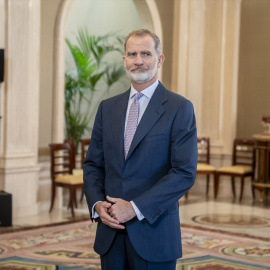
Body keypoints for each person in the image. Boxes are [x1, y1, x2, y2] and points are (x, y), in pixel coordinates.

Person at [83, 29, 197, 270]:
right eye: (132, 54)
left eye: (146, 53)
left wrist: (134, 208)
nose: (138, 60)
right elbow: (93, 164)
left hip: (153, 233)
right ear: (124, 60)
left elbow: (183, 173)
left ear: (160, 59)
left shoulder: (179, 108)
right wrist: (96, 205)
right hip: (111, 234)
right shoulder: (107, 108)